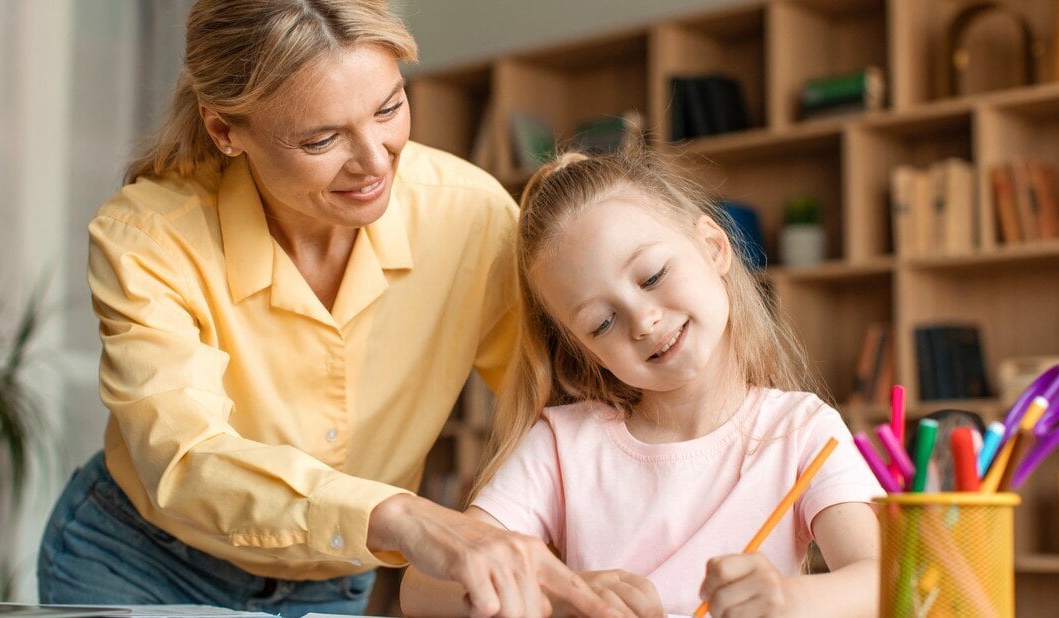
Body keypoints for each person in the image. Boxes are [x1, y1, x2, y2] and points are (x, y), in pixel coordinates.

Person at [36, 2, 627, 617]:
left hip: (333, 582)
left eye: (390, 108)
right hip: (138, 564)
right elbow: (185, 458)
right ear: (224, 132)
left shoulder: (472, 217)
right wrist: (400, 516)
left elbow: (560, 408)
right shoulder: (151, 236)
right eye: (322, 138)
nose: (376, 161)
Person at [400, 148, 884, 618]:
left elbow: (885, 578)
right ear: (585, 350)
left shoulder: (801, 431)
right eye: (601, 323)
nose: (644, 322)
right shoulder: (562, 445)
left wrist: (791, 601)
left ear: (714, 248)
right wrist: (563, 593)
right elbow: (421, 589)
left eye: (652, 276)